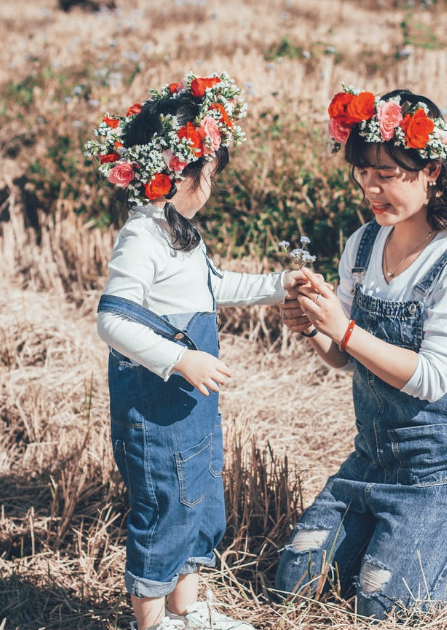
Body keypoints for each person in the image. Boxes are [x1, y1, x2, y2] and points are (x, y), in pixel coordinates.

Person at [275, 87, 447, 619]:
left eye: (388, 174)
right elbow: (344, 359)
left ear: (432, 170)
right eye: (363, 172)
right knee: (297, 582)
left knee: (385, 604)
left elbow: (432, 378)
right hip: (374, 456)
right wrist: (313, 327)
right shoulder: (364, 244)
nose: (371, 187)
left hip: (446, 464)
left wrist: (343, 329)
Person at [86, 72, 306, 630]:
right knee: (163, 507)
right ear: (176, 173)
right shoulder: (143, 236)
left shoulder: (180, 230)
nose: (212, 184)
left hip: (190, 406)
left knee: (197, 498)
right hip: (156, 407)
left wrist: (279, 283)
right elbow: (112, 319)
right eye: (208, 173)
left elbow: (214, 287)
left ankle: (187, 610)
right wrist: (179, 358)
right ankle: (152, 622)